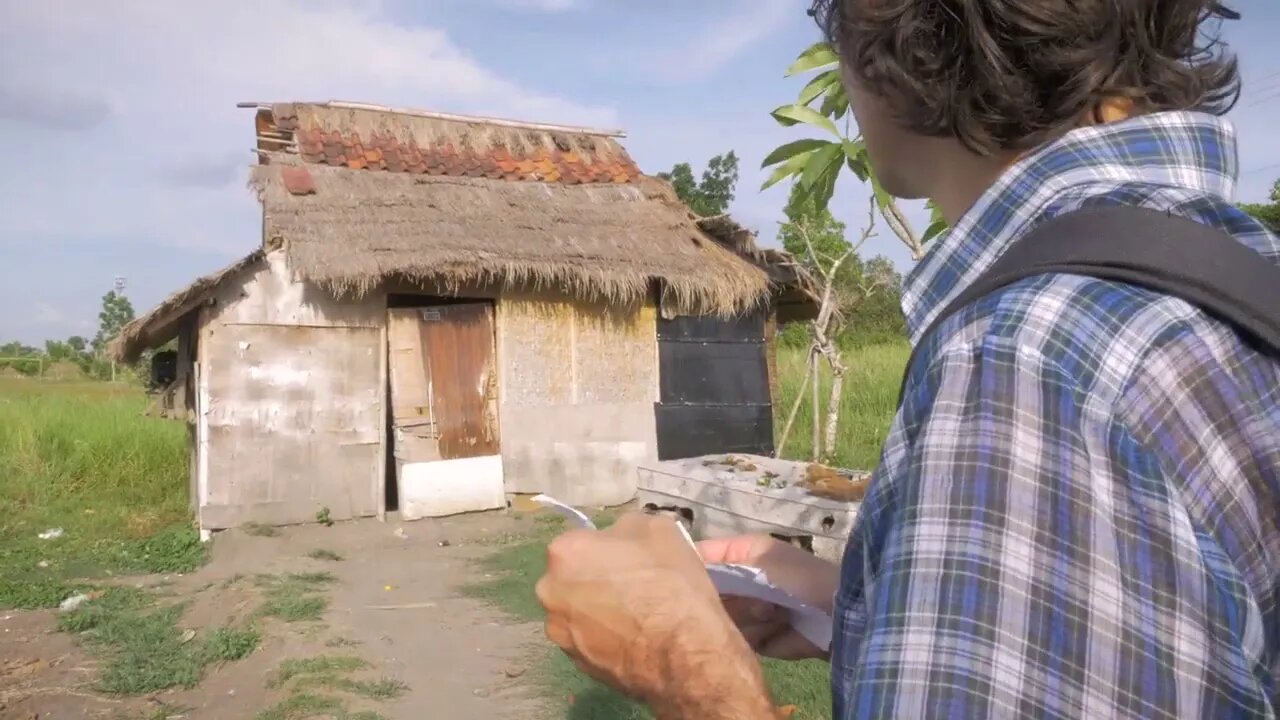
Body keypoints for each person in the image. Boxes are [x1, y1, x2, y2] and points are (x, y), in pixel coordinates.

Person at [535, 0, 1280, 717]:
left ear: (891, 44)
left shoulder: (1023, 361)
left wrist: (682, 666)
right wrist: (865, 608)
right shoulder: (1225, 274)